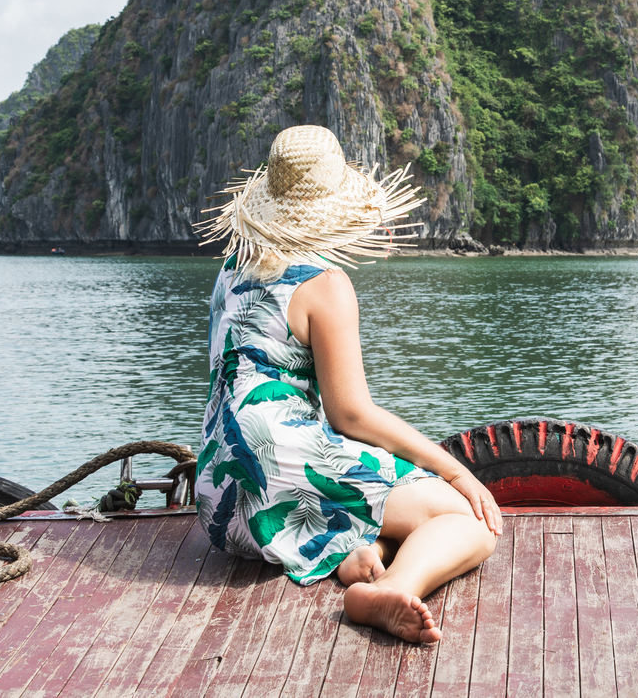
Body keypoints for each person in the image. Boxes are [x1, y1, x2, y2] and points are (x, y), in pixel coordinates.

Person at [193, 125, 499, 643]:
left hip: (220, 490)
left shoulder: (232, 269)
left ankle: (361, 554)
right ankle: (391, 589)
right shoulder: (323, 283)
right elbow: (351, 414)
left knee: (383, 504)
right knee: (467, 524)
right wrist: (457, 474)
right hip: (284, 457)